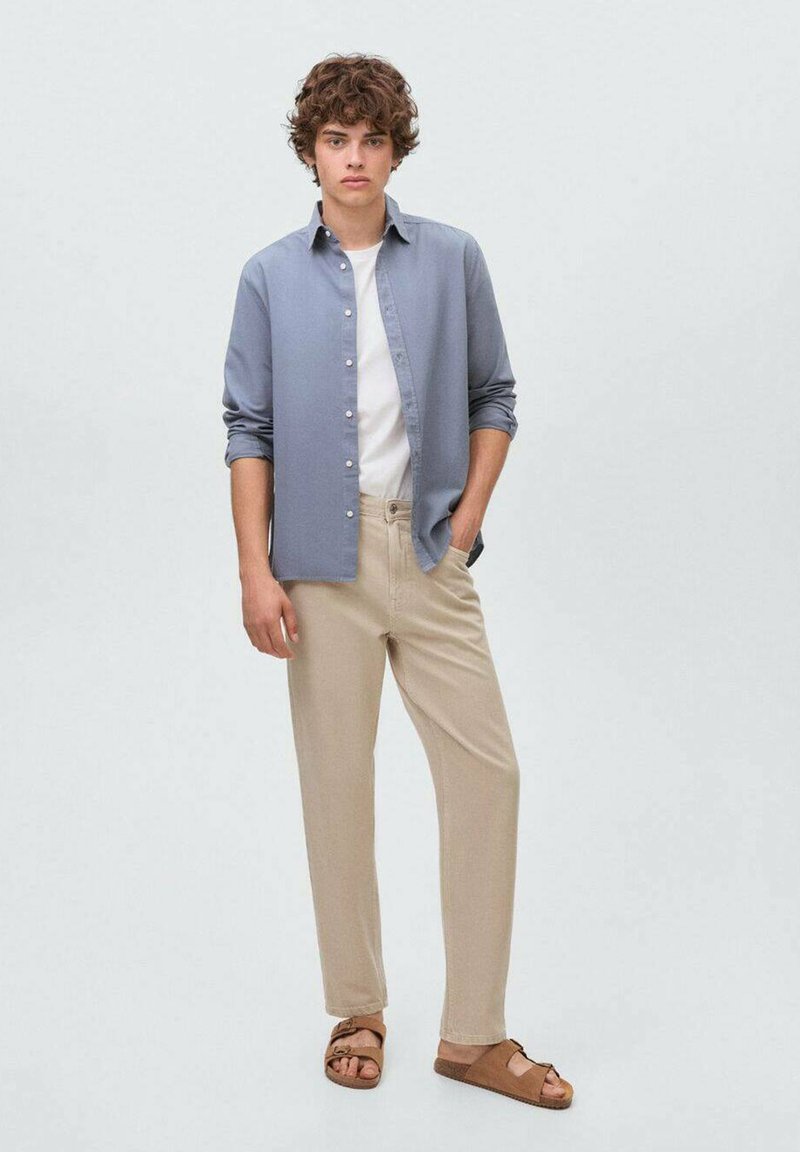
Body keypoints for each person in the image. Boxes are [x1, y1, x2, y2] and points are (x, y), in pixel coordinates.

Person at [221, 52, 573, 1110]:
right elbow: (248, 427)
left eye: (372, 140)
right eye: (336, 140)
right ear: (310, 152)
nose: (355, 158)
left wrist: (463, 523)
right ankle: (357, 1009)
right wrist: (254, 569)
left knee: (487, 776)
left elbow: (494, 395)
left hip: (425, 553)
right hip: (315, 568)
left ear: (394, 150)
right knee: (337, 788)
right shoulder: (269, 276)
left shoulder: (451, 259)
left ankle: (474, 1034)